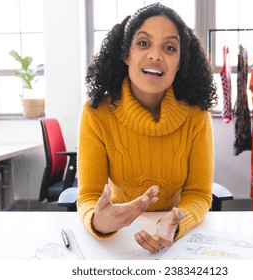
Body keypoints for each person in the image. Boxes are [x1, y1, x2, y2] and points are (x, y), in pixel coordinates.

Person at [77, 2, 217, 254]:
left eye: (170, 48)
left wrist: (175, 223)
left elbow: (199, 193)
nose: (155, 55)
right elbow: (88, 196)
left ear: (179, 63)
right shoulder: (96, 113)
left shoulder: (196, 115)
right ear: (126, 54)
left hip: (175, 240)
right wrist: (100, 221)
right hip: (118, 239)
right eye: (143, 43)